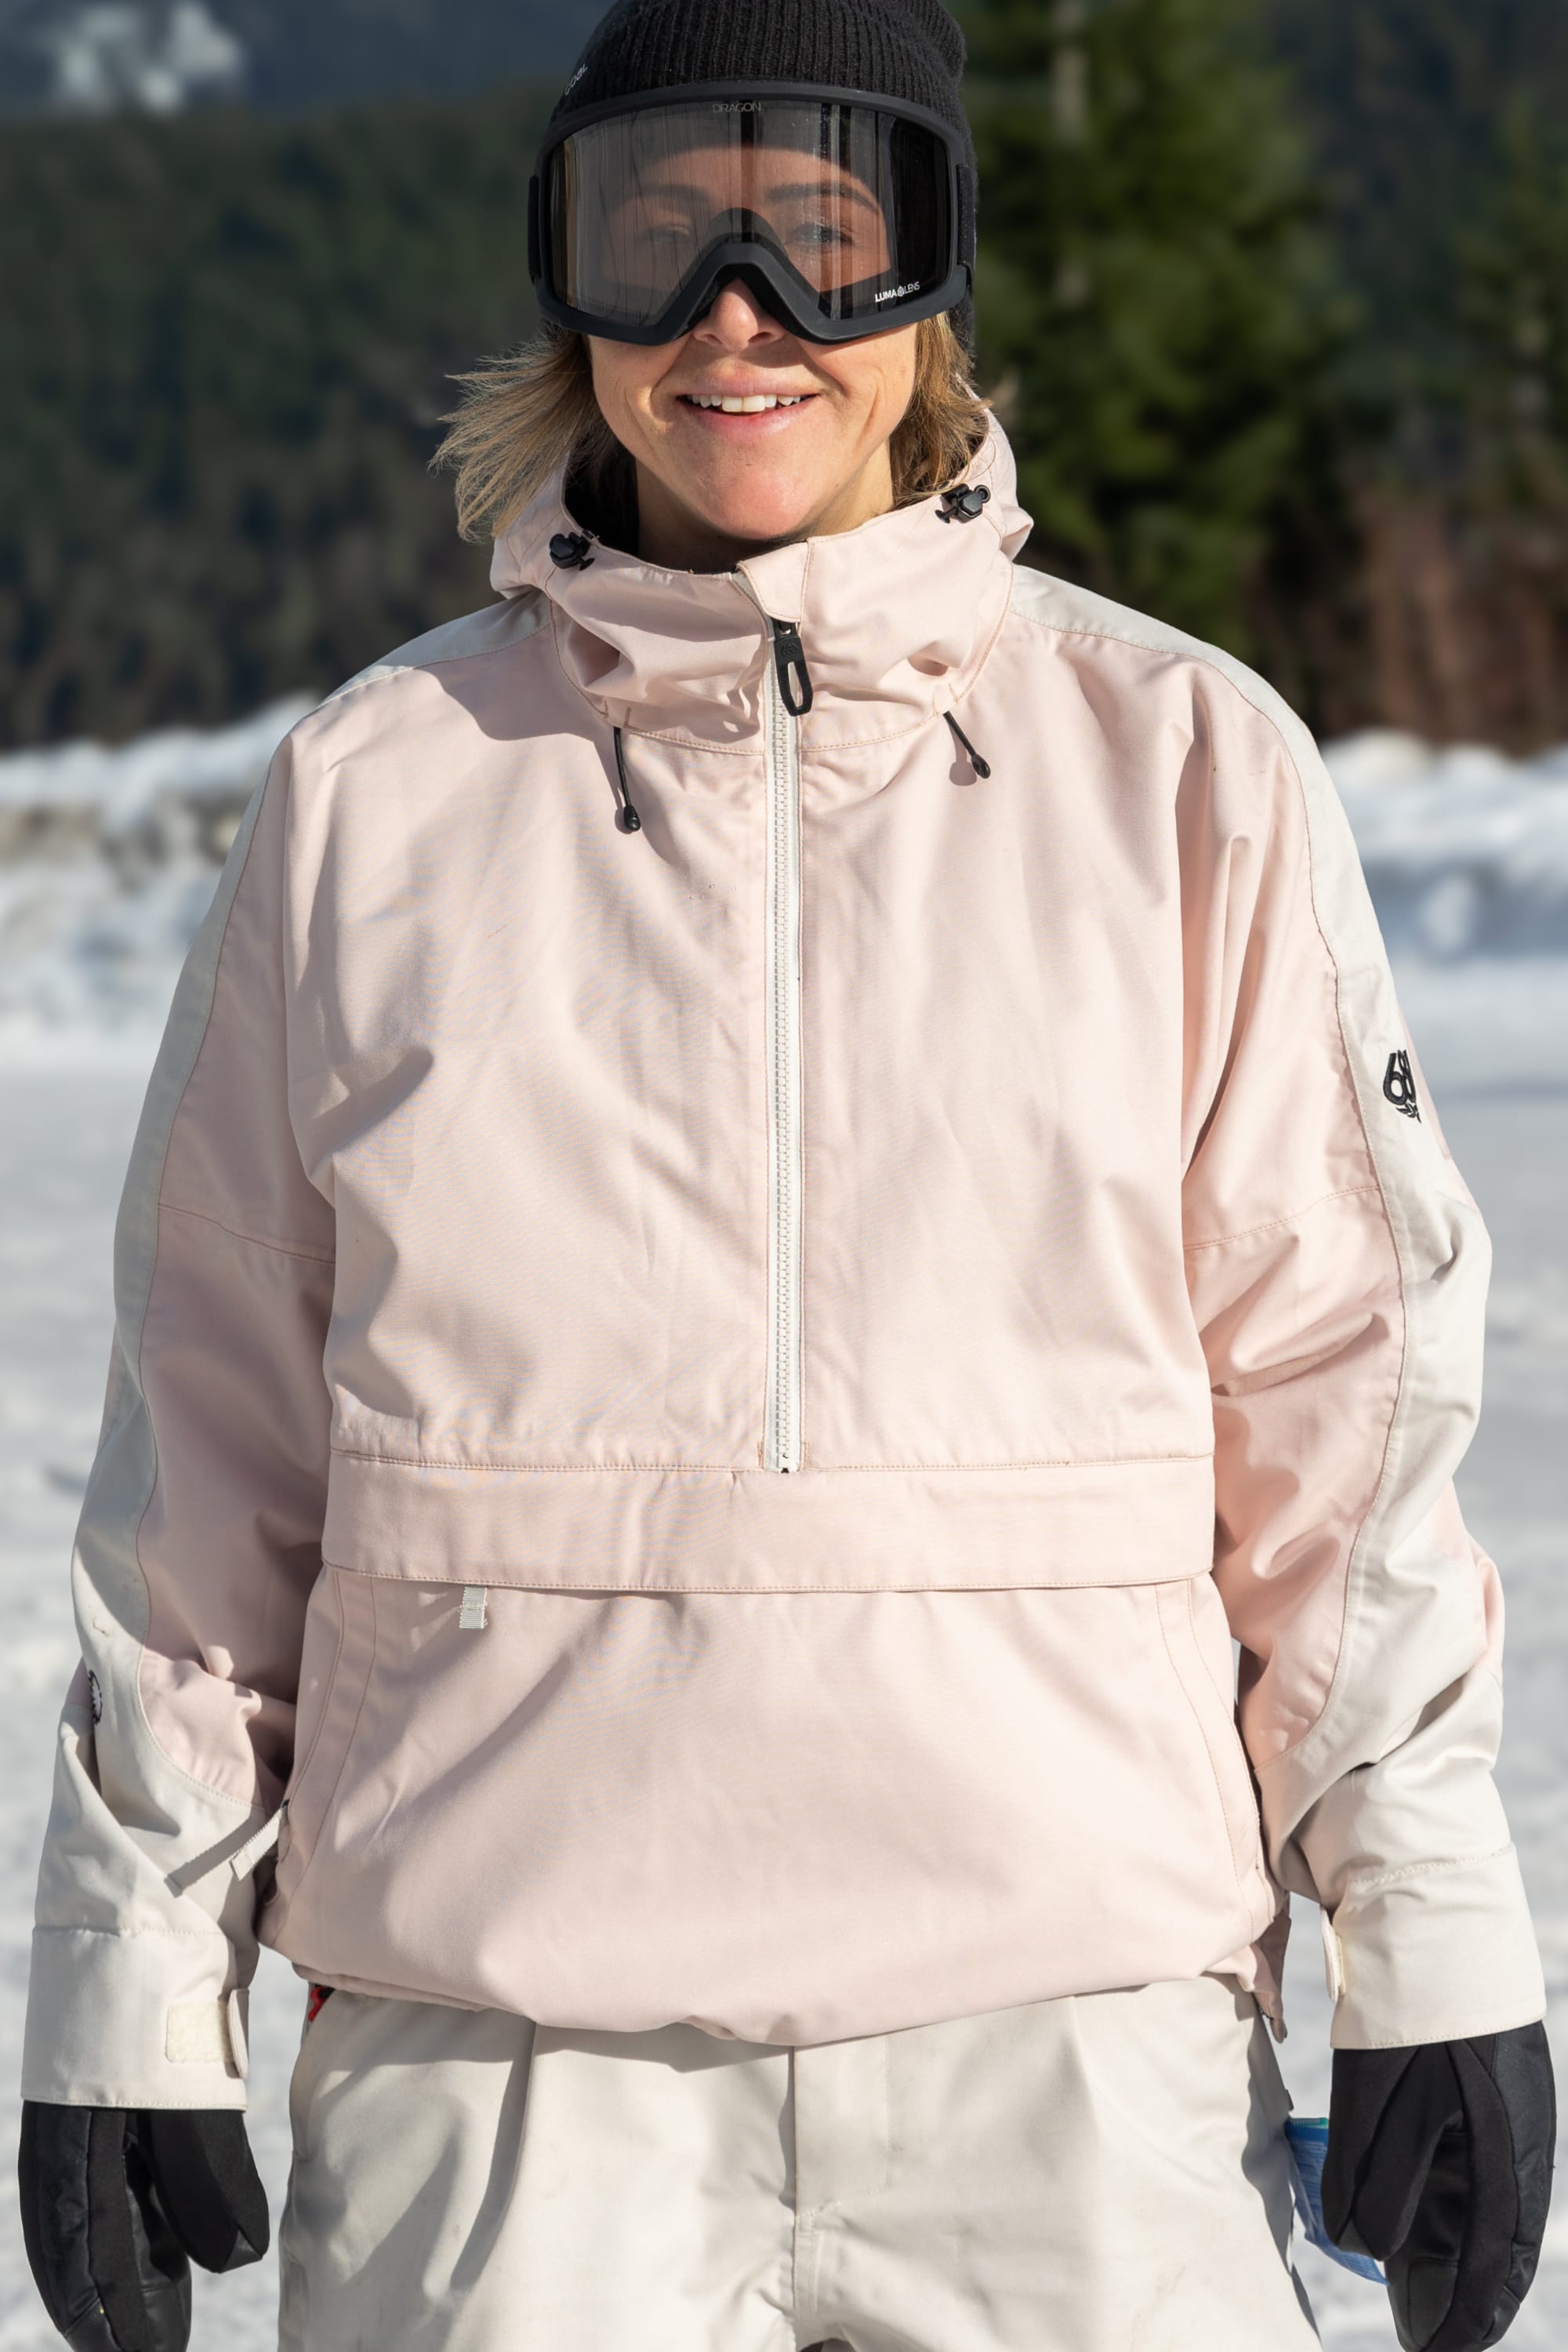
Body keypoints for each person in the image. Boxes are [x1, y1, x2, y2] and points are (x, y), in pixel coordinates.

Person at [15, 2, 1556, 2347]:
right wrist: (133, 1990)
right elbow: (214, 1452)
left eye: (831, 238)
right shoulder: (380, 794)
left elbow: (1344, 1417)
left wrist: (1430, 1940)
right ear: (572, 292)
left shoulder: (1173, 765)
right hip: (510, 2064)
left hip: (1074, 2043)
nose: (742, 316)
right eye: (660, 237)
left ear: (933, 288)